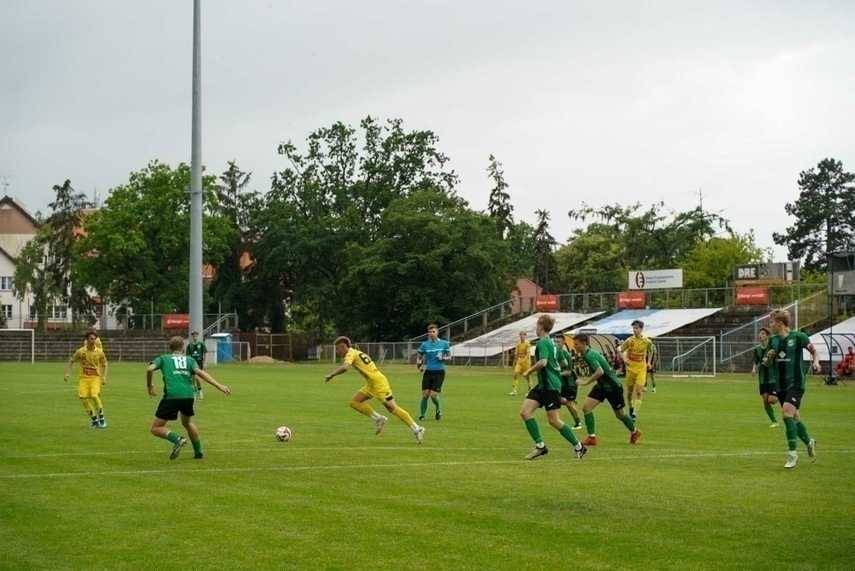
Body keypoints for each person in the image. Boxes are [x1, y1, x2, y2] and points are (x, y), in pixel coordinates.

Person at [326, 336, 424, 444]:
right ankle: (379, 419)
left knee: (392, 408)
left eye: (338, 348)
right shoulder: (356, 352)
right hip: (372, 383)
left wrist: (332, 374)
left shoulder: (350, 354)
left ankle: (417, 428)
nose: (337, 351)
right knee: (354, 402)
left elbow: (345, 367)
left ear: (344, 346)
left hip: (378, 383)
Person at [147, 336, 231, 460]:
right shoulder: (189, 359)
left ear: (170, 348)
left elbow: (149, 368)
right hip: (188, 395)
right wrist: (218, 385)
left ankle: (177, 439)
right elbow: (200, 372)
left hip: (172, 396)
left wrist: (149, 386)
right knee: (187, 422)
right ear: (183, 348)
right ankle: (198, 452)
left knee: (156, 428)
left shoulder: (164, 358)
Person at [518, 315, 587, 460]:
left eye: (537, 325)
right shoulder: (554, 345)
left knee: (554, 420)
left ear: (541, 326)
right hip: (543, 385)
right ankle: (540, 446)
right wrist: (554, 367)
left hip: (550, 385)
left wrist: (529, 371)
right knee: (525, 412)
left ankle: (579, 446)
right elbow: (562, 363)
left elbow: (543, 362)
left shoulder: (544, 342)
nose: (536, 327)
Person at [764, 309, 820, 469]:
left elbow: (814, 352)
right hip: (780, 385)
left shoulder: (799, 337)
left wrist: (816, 362)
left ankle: (792, 454)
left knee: (786, 412)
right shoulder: (773, 341)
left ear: (780, 323)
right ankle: (809, 442)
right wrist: (769, 358)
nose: (770, 326)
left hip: (796, 383)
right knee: (794, 417)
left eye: (772, 323)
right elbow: (766, 364)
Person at [574, 333, 642, 446]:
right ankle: (591, 438)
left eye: (576, 344)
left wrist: (585, 382)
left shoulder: (590, 355)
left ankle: (635, 432)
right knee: (586, 408)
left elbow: (599, 371)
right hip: (602, 386)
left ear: (583, 343)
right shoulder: (587, 354)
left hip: (613, 387)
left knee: (620, 415)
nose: (574, 346)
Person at [64, 331, 109, 428]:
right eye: (91, 339)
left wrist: (104, 377)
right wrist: (68, 373)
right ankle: (94, 420)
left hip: (95, 378)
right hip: (84, 378)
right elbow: (71, 360)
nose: (93, 341)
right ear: (87, 340)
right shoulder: (81, 351)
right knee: (83, 399)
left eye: (94, 339)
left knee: (94, 395)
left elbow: (105, 365)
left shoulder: (99, 352)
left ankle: (102, 418)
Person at [416, 324, 451, 421]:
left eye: (433, 332)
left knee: (433, 395)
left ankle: (438, 408)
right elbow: (419, 357)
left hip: (439, 372)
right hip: (428, 372)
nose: (431, 334)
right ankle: (422, 415)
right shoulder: (425, 345)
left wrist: (443, 358)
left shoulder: (444, 343)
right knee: (425, 395)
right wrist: (419, 366)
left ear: (437, 332)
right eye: (430, 332)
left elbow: (449, 356)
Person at [619, 320, 653, 421]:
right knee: (629, 392)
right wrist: (625, 359)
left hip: (641, 369)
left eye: (636, 328)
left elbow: (651, 351)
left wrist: (648, 362)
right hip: (630, 369)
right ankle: (631, 407)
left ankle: (635, 413)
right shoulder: (629, 340)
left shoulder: (647, 341)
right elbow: (621, 350)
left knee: (639, 391)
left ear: (641, 329)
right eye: (633, 328)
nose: (634, 330)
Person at [750, 327, 779, 428]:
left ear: (767, 336)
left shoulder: (772, 348)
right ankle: (774, 421)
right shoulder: (757, 349)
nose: (760, 335)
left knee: (772, 400)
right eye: (759, 333)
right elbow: (755, 361)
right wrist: (754, 369)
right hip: (762, 378)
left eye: (762, 333)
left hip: (773, 378)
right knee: (765, 399)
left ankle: (782, 394)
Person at [553, 332, 582, 429]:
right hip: (562, 383)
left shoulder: (567, 355)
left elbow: (568, 372)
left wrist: (556, 373)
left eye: (559, 342)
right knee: (556, 400)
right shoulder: (555, 354)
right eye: (555, 341)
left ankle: (578, 423)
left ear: (564, 342)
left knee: (569, 404)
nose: (557, 344)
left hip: (570, 383)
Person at [185, 330, 208, 399]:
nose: (195, 337)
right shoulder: (189, 346)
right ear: (192, 337)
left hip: (199, 362)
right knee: (193, 378)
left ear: (198, 336)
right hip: (192, 363)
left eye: (196, 336)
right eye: (193, 336)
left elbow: (205, 353)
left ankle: (199, 391)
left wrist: (205, 363)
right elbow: (187, 356)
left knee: (197, 378)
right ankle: (195, 391)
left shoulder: (201, 344)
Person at [508, 331, 532, 396]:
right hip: (519, 361)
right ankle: (514, 391)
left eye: (522, 334)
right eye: (520, 335)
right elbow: (517, 353)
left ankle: (530, 391)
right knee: (515, 374)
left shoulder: (527, 343)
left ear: (525, 335)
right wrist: (514, 362)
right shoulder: (518, 344)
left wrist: (523, 360)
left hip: (526, 362)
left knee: (527, 376)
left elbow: (528, 353)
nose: (521, 336)